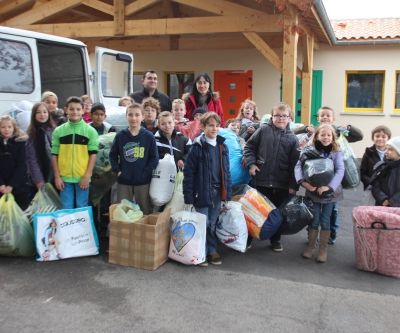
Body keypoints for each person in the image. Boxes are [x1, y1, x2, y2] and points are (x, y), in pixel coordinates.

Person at [296, 106, 363, 245]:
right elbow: (293, 134)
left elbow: (359, 136)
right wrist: (305, 128)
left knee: (332, 211)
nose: (325, 118)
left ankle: (330, 235)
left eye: (328, 116)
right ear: (318, 118)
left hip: (333, 181)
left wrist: (349, 127)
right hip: (314, 180)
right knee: (313, 211)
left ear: (333, 118)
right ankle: (312, 236)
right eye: (322, 115)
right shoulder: (314, 131)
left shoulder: (338, 132)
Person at [244, 103, 299, 252]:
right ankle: (248, 238)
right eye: (277, 115)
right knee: (255, 210)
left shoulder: (293, 139)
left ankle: (275, 239)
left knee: (276, 213)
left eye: (284, 116)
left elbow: (295, 164)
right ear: (271, 116)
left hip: (282, 184)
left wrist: (293, 185)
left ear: (289, 118)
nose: (281, 118)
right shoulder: (263, 130)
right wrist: (251, 164)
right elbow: (249, 147)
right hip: (261, 179)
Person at [183, 112, 232, 266]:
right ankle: (201, 252)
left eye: (217, 125)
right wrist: (189, 197)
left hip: (218, 193)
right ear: (203, 127)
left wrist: (227, 194)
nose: (214, 128)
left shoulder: (222, 146)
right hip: (202, 192)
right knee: (201, 223)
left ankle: (212, 250)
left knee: (212, 222)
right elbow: (189, 174)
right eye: (211, 125)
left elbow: (227, 172)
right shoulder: (197, 147)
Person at [295, 124, 344, 263]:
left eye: (329, 135)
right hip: (313, 191)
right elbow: (298, 166)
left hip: (330, 193)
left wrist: (329, 187)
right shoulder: (309, 150)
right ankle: (311, 246)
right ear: (317, 136)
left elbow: (340, 170)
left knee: (325, 220)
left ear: (333, 137)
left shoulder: (336, 152)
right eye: (323, 135)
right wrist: (304, 183)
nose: (326, 137)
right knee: (314, 219)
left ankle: (323, 249)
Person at [109, 103, 159, 214]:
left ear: (142, 117)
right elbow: (112, 155)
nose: (134, 118)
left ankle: (142, 231)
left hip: (143, 181)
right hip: (124, 181)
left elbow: (154, 158)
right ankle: (125, 231)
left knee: (144, 211)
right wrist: (118, 171)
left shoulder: (148, 136)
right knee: (123, 211)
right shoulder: (121, 136)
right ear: (126, 116)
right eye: (130, 115)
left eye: (137, 115)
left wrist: (145, 173)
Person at [51, 96, 99, 209]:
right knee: (66, 207)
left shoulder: (90, 131)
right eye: (71, 109)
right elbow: (54, 155)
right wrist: (57, 176)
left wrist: (87, 175)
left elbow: (93, 155)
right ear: (66, 110)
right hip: (64, 178)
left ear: (83, 110)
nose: (75, 112)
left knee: (81, 207)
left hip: (82, 177)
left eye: (78, 109)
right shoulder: (58, 131)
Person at [0, 115, 30, 209]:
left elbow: (22, 166)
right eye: (3, 127)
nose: (6, 129)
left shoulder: (20, 143)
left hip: (18, 186)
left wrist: (11, 185)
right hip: (2, 186)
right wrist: (1, 184)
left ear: (14, 128)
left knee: (19, 213)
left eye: (9, 127)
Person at [26, 102, 55, 190]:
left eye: (45, 112)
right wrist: (39, 180)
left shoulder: (54, 130)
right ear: (34, 115)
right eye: (38, 112)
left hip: (55, 175)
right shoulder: (31, 134)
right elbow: (32, 160)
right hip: (39, 176)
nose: (42, 115)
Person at [370, 136, 400, 207]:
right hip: (382, 207)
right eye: (386, 149)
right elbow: (375, 185)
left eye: (390, 149)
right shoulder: (382, 166)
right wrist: (383, 199)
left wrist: (392, 201)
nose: (386, 151)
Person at [360, 125, 391, 190]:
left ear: (388, 139)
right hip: (372, 188)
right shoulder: (368, 153)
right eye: (377, 136)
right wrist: (372, 183)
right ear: (373, 138)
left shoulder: (392, 153)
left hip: (388, 188)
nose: (380, 139)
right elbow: (362, 173)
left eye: (383, 137)